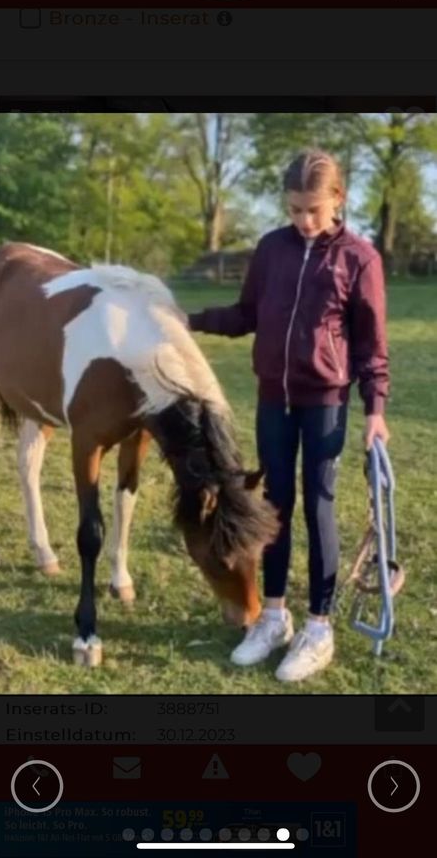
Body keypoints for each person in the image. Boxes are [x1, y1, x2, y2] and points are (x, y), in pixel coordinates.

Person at [187, 149, 389, 683]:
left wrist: (377, 411)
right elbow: (246, 314)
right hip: (272, 398)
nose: (303, 220)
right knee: (274, 505)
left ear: (338, 200)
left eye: (313, 210)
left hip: (325, 401)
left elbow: (372, 347)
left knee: (318, 505)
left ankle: (318, 627)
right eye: (295, 208)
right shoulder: (271, 248)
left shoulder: (360, 259)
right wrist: (188, 319)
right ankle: (273, 617)